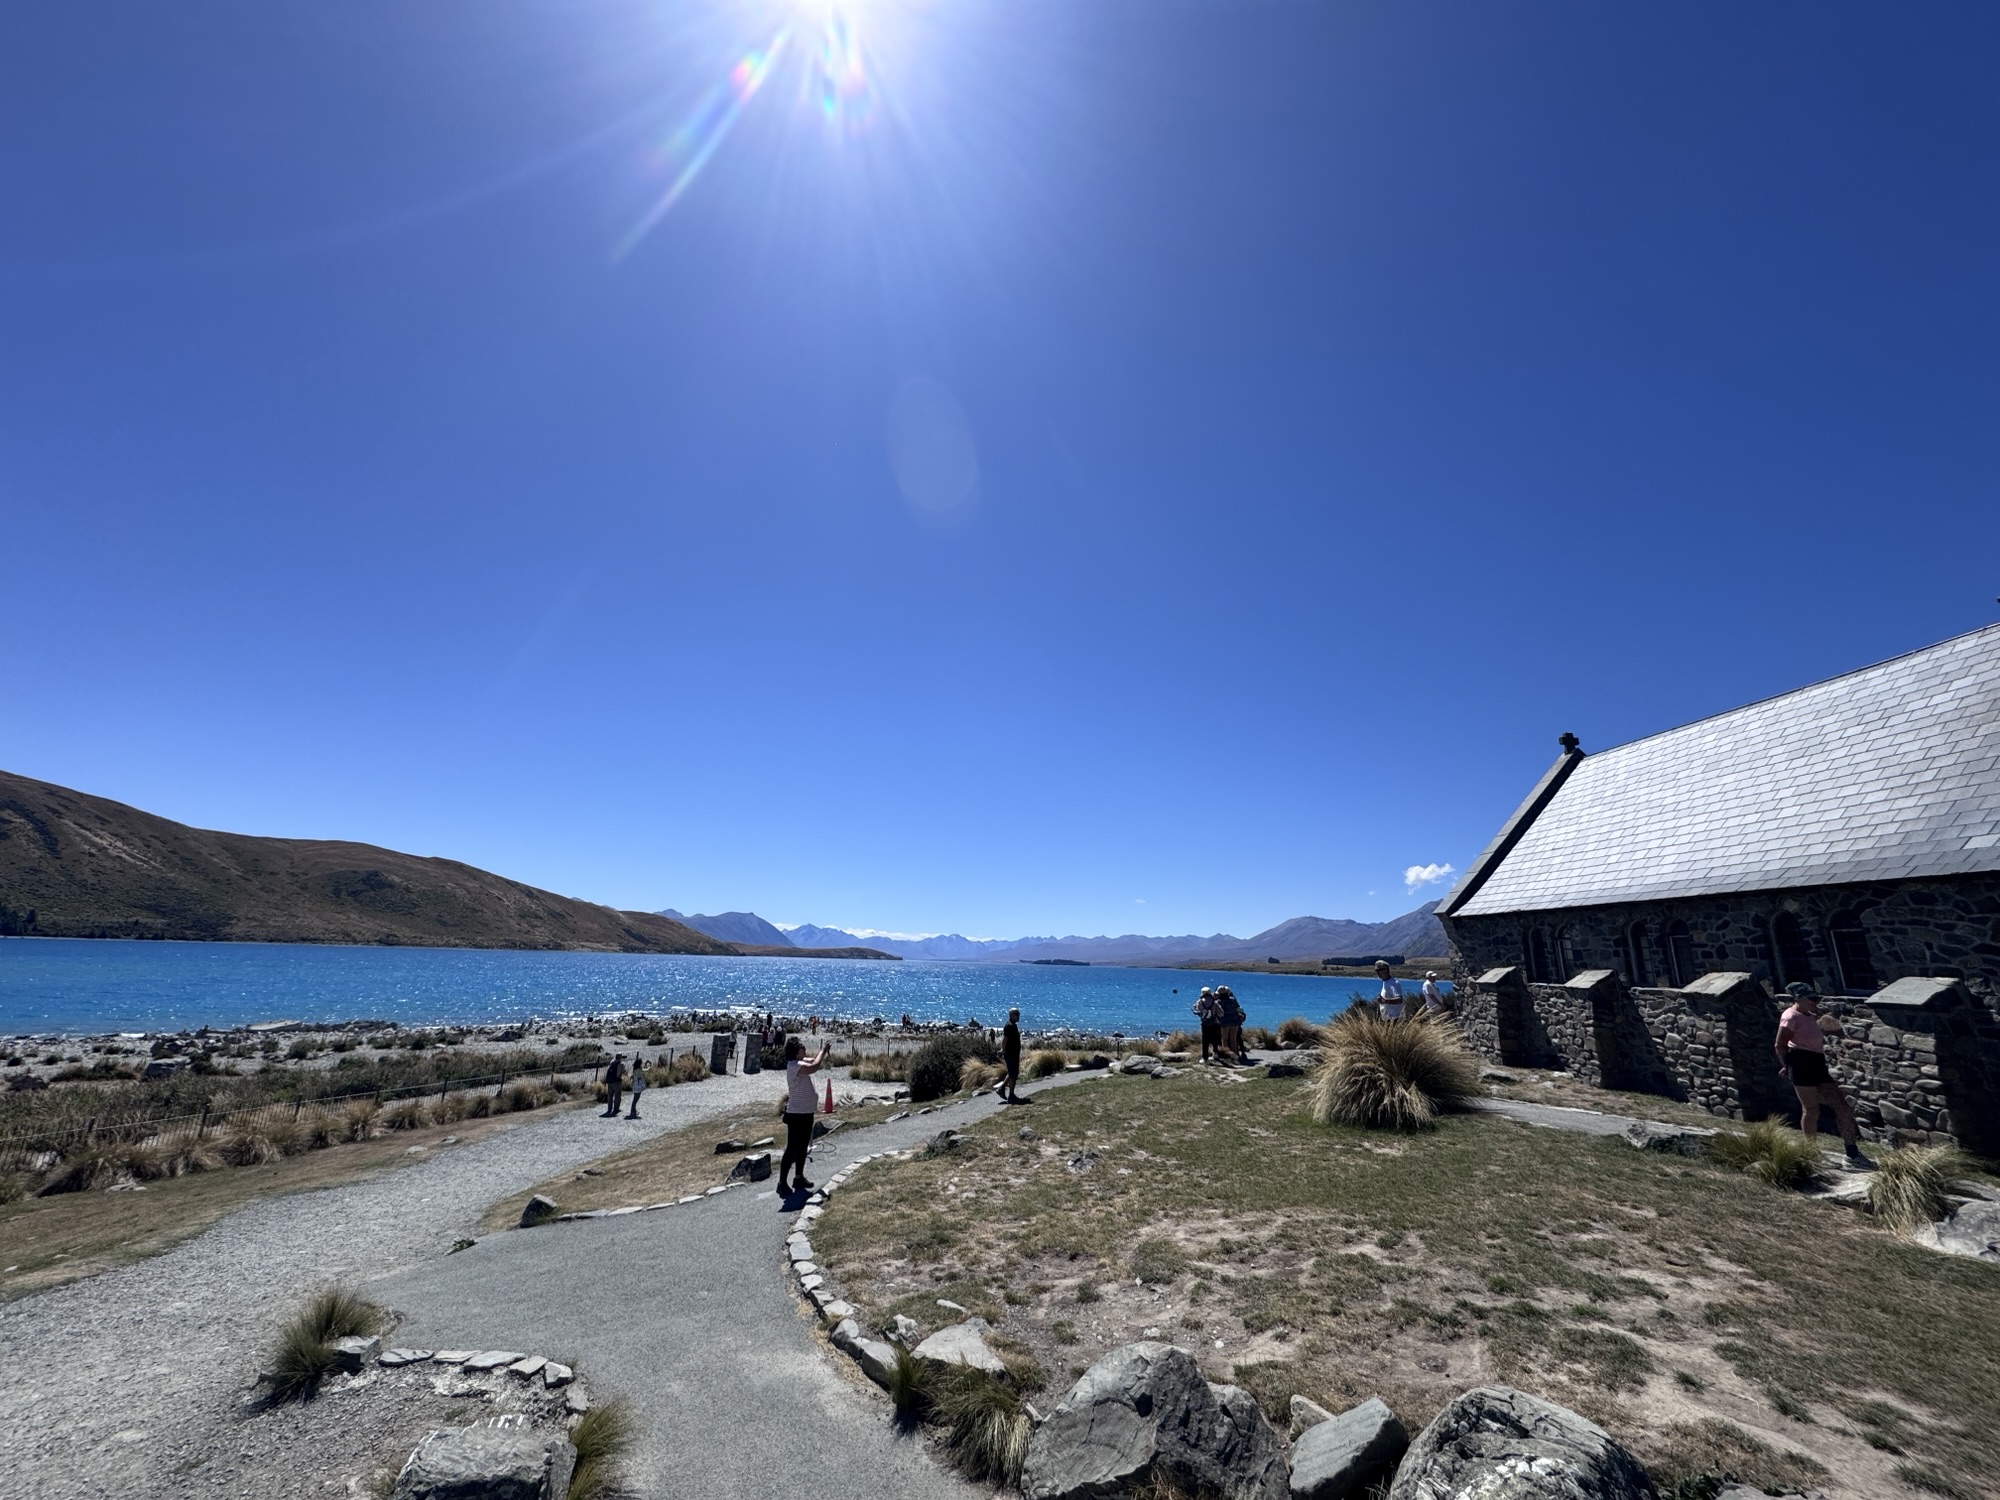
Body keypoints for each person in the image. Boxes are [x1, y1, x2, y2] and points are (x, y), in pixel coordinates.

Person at [1776, 982, 1869, 1165]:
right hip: (1800, 1062)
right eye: (1811, 998)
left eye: (1816, 998)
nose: (1815, 1002)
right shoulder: (1790, 1017)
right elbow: (1780, 1045)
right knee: (1811, 1109)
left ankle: (1852, 1153)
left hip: (1817, 1062)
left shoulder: (1809, 1016)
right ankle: (1811, 1152)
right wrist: (1787, 1065)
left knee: (1842, 1107)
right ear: (1798, 998)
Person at [779, 1035, 830, 1194]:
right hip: (796, 1114)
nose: (804, 1048)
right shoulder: (794, 1066)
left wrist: (821, 1053)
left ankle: (799, 1177)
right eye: (802, 1047)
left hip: (806, 1112)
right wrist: (823, 1051)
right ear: (796, 1051)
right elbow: (814, 1066)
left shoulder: (800, 1062)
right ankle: (782, 1182)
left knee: (802, 1147)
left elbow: (813, 1061)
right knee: (792, 1148)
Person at [998, 1007, 1023, 1102]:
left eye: (1018, 1014)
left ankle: (1002, 1089)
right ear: (1012, 1015)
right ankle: (1011, 1095)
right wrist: (1002, 1050)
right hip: (1010, 1054)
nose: (1018, 1016)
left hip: (1014, 1053)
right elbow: (1005, 1039)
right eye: (1016, 1014)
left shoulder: (1013, 1025)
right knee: (1013, 1074)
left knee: (1012, 1073)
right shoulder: (1009, 1026)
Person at [1218, 986, 1245, 1062]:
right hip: (1234, 1022)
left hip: (1224, 1023)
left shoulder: (1219, 1002)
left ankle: (1228, 1056)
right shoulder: (1232, 1000)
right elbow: (1238, 1009)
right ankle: (1236, 1056)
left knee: (1225, 1040)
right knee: (1233, 1039)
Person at [1193, 987, 1220, 1063]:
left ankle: (1205, 1058)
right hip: (1214, 1023)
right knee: (1214, 1039)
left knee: (1205, 1041)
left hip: (1204, 1024)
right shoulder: (1214, 1002)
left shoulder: (1200, 1002)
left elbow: (1196, 1009)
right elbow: (1221, 1013)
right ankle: (1215, 1054)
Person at [602, 1053, 626, 1118]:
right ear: (620, 1057)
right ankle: (616, 1109)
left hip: (609, 1081)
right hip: (616, 1081)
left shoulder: (612, 1063)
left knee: (610, 1095)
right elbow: (622, 1072)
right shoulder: (621, 1064)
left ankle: (609, 1109)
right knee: (617, 1095)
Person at [626, 1054, 647, 1119]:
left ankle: (634, 1110)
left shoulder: (634, 1070)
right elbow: (645, 1071)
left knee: (635, 1098)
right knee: (635, 1099)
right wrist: (648, 1066)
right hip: (638, 1086)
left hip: (635, 1085)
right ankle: (633, 1111)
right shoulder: (639, 1070)